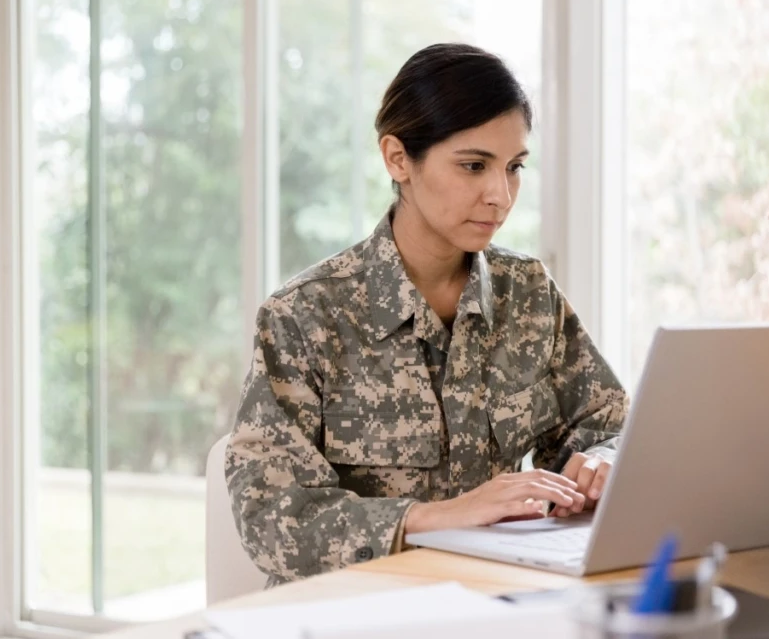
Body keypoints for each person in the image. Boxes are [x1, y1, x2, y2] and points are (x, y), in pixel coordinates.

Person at [226, 43, 629, 587]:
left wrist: (604, 462)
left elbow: (612, 428)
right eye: (473, 166)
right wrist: (429, 519)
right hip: (354, 616)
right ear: (398, 159)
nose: (500, 195)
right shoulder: (304, 316)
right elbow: (271, 517)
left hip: (496, 604)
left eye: (514, 168)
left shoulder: (528, 293)